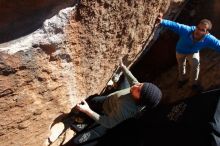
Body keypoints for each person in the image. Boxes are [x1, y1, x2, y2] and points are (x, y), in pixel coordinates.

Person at [67, 59, 162, 146]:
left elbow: (109, 123)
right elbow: (134, 81)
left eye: (138, 90)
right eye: (141, 85)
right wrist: (124, 68)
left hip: (107, 108)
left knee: (93, 101)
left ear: (139, 100)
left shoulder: (126, 108)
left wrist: (87, 110)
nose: (136, 86)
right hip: (113, 99)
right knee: (99, 97)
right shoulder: (138, 89)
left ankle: (80, 117)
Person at [156, 13, 220, 92]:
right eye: (198, 27)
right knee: (181, 65)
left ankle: (193, 84)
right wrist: (162, 21)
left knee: (195, 65)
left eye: (202, 30)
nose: (198, 31)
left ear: (206, 33)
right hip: (180, 51)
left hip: (193, 52)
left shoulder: (208, 39)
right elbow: (175, 25)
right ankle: (182, 80)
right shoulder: (186, 30)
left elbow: (218, 44)